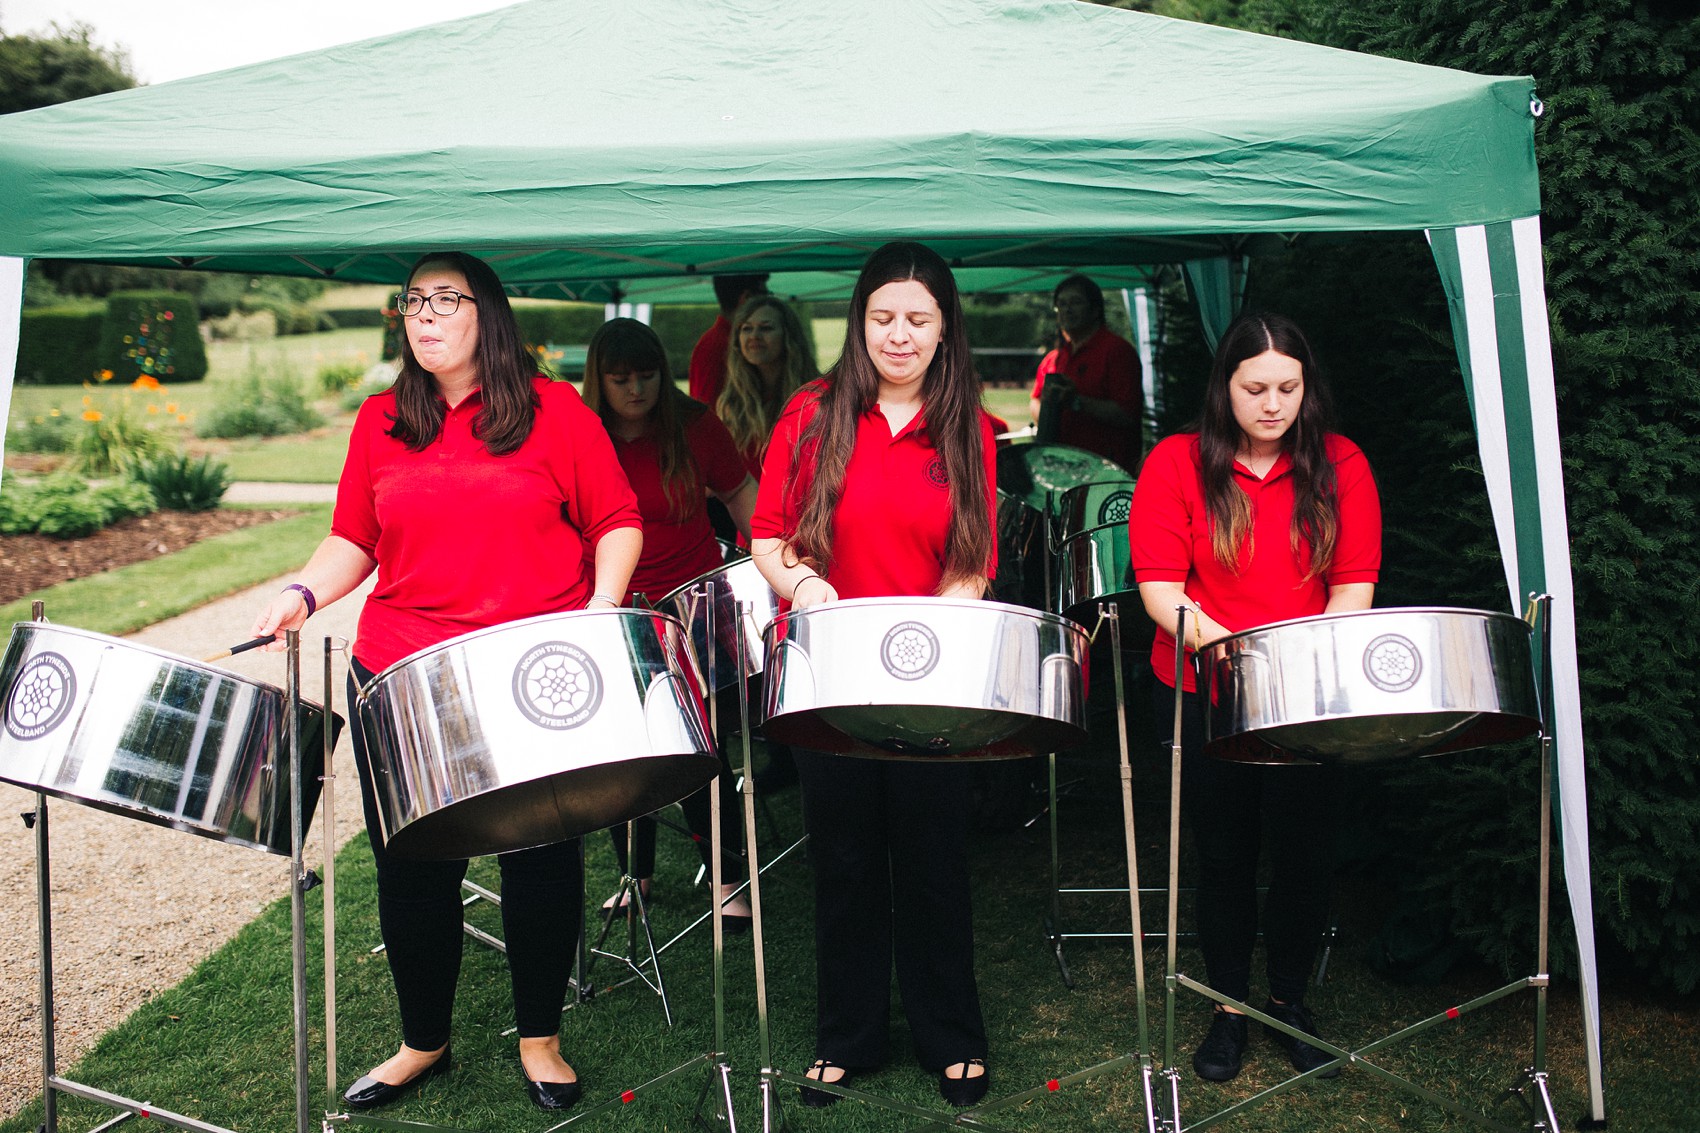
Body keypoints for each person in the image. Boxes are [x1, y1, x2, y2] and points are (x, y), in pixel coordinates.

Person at [250, 251, 643, 1114]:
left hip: (526, 674)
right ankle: (422, 1041)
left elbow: (615, 520)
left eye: (444, 300)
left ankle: (540, 1038)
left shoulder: (555, 411)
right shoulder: (383, 417)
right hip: (400, 667)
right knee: (413, 866)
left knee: (540, 854)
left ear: (486, 315)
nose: (423, 315)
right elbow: (353, 535)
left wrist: (601, 607)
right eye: (412, 301)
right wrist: (302, 591)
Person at [750, 241, 999, 1109]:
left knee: (934, 856)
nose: (899, 334)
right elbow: (768, 536)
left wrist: (942, 622)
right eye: (884, 317)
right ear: (859, 323)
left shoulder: (968, 423)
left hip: (929, 680)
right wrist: (808, 585)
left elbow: (974, 558)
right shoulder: (812, 414)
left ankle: (951, 1034)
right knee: (846, 857)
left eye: (918, 320)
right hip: (829, 674)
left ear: (944, 329)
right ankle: (846, 1036)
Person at [1128, 311, 1380, 1083]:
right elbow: (1161, 589)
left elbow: (1354, 588)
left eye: (1288, 387)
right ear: (1225, 388)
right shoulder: (1177, 462)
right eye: (1255, 388)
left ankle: (1290, 1003)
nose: (1272, 404)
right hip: (1208, 690)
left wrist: (1294, 662)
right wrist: (1235, 651)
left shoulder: (1340, 463)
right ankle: (1229, 1008)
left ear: (1308, 388)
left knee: (1305, 856)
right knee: (1226, 856)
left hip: (1307, 696)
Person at [580, 316, 758, 926]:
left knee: (702, 747)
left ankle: (728, 876)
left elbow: (745, 501)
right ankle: (637, 878)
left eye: (647, 375)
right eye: (620, 378)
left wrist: (775, 564)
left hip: (692, 606)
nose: (636, 390)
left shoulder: (696, 426)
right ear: (598, 380)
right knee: (624, 752)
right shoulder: (584, 435)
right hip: (615, 609)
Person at [715, 294, 816, 790]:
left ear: (789, 337)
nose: (754, 337)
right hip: (753, 540)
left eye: (766, 328)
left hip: (808, 538)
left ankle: (808, 745)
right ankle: (780, 750)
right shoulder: (729, 404)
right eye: (745, 329)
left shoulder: (815, 399)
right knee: (766, 649)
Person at [1027, 273, 1143, 469]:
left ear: (1095, 309)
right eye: (1061, 304)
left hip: (1105, 471)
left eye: (1075, 302)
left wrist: (1077, 402)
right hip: (1063, 467)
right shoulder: (1055, 358)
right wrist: (1047, 412)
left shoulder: (1117, 351)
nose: (1067, 310)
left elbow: (1128, 414)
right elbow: (1035, 400)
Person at [688, 272, 770, 406]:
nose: (768, 303)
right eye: (765, 295)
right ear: (747, 297)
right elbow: (709, 411)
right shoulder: (720, 345)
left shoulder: (720, 340)